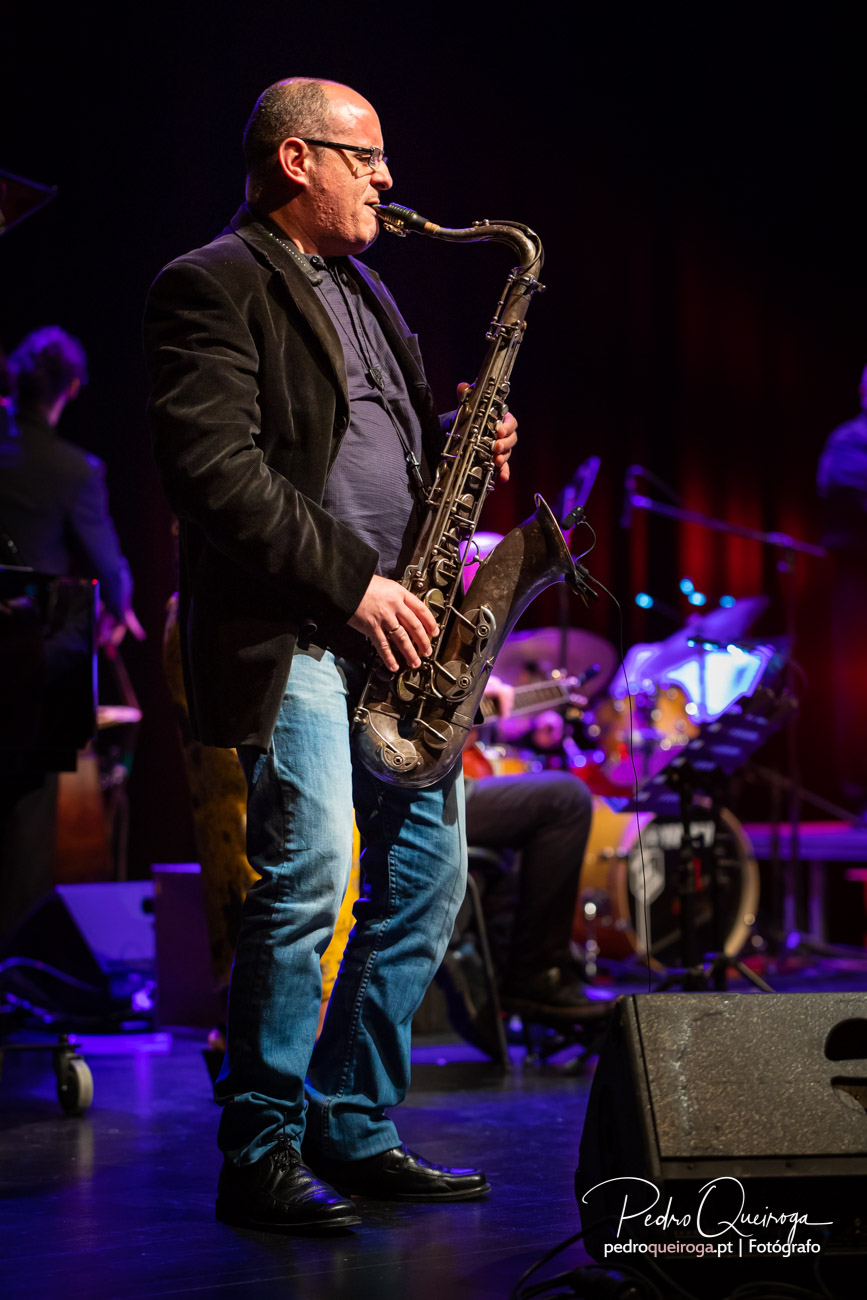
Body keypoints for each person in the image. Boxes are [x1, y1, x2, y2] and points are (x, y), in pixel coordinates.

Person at [144, 77, 517, 1233]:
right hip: (299, 628)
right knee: (309, 879)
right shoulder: (210, 283)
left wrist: (463, 442)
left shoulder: (370, 293)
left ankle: (350, 1121)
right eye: (368, 157)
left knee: (429, 881)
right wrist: (353, 585)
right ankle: (258, 1147)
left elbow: (365, 451)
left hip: (402, 639)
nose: (389, 180)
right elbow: (215, 472)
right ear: (297, 160)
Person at [0, 327, 143, 940]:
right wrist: (121, 610)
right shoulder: (74, 470)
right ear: (73, 389)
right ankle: (13, 974)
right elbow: (110, 570)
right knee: (28, 825)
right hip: (28, 666)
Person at [463, 677, 598, 1021]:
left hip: (439, 776)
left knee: (537, 823)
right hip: (410, 780)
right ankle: (536, 974)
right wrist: (475, 684)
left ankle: (519, 980)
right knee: (566, 800)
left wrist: (528, 728)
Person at [817, 365, 867, 817]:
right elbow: (844, 488)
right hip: (859, 579)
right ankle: (861, 795)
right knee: (858, 687)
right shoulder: (850, 440)